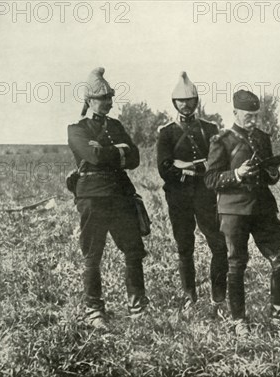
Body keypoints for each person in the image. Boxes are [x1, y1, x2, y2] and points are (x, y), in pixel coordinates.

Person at [67, 67, 149, 328]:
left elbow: (134, 158)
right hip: (92, 198)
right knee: (93, 255)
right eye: (103, 98)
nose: (109, 102)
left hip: (121, 196)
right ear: (89, 100)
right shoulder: (77, 129)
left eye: (111, 97)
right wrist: (119, 150)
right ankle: (95, 311)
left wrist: (109, 150)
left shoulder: (116, 126)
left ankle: (138, 307)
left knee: (134, 251)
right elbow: (94, 157)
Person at [204, 90, 280, 336]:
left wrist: (272, 172)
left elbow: (270, 175)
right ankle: (239, 320)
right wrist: (237, 174)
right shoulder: (222, 140)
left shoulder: (262, 138)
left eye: (255, 115)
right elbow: (210, 179)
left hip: (262, 209)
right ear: (234, 113)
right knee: (236, 264)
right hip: (234, 211)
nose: (253, 120)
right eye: (248, 116)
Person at [157, 72, 228, 310]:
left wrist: (182, 165)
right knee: (184, 246)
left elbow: (218, 163)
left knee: (218, 244)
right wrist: (196, 166)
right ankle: (189, 295)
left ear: (196, 101)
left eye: (190, 100)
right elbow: (165, 169)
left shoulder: (210, 129)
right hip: (178, 196)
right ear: (174, 103)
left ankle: (218, 296)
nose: (185, 105)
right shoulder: (166, 132)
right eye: (181, 101)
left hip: (206, 193)